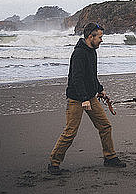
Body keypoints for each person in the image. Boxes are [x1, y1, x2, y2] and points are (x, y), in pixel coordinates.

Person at [48, 22, 126, 174]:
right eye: (100, 37)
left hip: (90, 97)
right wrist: (84, 99)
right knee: (70, 132)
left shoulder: (92, 51)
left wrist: (100, 89)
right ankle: (54, 163)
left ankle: (110, 158)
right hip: (77, 99)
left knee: (105, 126)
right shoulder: (79, 54)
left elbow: (91, 76)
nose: (102, 40)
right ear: (91, 36)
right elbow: (76, 78)